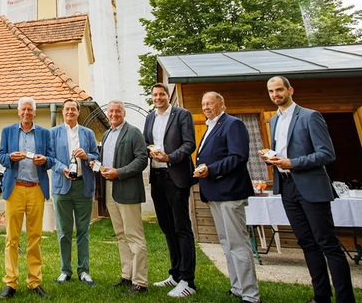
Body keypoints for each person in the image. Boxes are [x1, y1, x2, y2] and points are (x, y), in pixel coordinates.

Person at [263, 76, 354, 303]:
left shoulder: (310, 116)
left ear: (290, 90)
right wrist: (270, 158)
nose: (276, 95)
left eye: (279, 90)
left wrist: (293, 162)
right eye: (272, 91)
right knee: (306, 243)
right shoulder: (274, 121)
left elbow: (326, 154)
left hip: (311, 186)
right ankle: (321, 296)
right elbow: (282, 154)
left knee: (328, 244)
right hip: (286, 187)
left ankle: (345, 299)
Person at [194, 92, 259, 303]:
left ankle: (251, 294)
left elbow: (239, 156)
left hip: (230, 192)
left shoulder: (232, 124)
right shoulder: (210, 127)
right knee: (225, 242)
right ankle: (237, 287)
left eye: (210, 103)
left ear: (222, 104)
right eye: (203, 104)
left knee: (238, 244)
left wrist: (210, 170)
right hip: (214, 194)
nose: (206, 107)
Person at [143, 83, 197, 298]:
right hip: (157, 177)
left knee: (181, 227)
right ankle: (174, 274)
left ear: (168, 96)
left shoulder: (182, 115)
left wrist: (169, 157)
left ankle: (188, 280)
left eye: (161, 94)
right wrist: (150, 150)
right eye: (154, 95)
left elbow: (189, 144)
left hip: (176, 176)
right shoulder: (150, 117)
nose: (158, 98)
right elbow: (147, 141)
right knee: (167, 227)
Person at [0, 97, 52, 299]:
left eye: (30, 110)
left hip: (36, 189)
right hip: (15, 189)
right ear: (18, 112)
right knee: (12, 238)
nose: (27, 113)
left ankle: (34, 281)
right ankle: (10, 282)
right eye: (24, 109)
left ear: (34, 113)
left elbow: (52, 159)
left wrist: (45, 160)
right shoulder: (8, 131)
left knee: (34, 237)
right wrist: (10, 157)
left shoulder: (45, 134)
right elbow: (0, 156)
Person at [99, 100, 149, 295]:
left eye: (117, 111)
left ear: (124, 113)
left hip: (127, 188)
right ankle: (127, 275)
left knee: (134, 236)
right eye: (111, 111)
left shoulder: (134, 132)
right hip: (110, 188)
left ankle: (140, 282)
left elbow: (142, 159)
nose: (114, 114)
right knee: (121, 235)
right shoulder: (107, 134)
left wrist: (119, 172)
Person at [48, 98, 99, 287]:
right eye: (67, 109)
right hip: (62, 187)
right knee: (63, 231)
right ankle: (65, 270)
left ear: (78, 112)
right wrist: (62, 168)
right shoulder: (53, 133)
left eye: (73, 109)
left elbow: (96, 155)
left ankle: (84, 270)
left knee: (83, 231)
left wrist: (87, 156)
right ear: (63, 112)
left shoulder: (88, 133)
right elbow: (49, 158)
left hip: (83, 186)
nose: (70, 112)